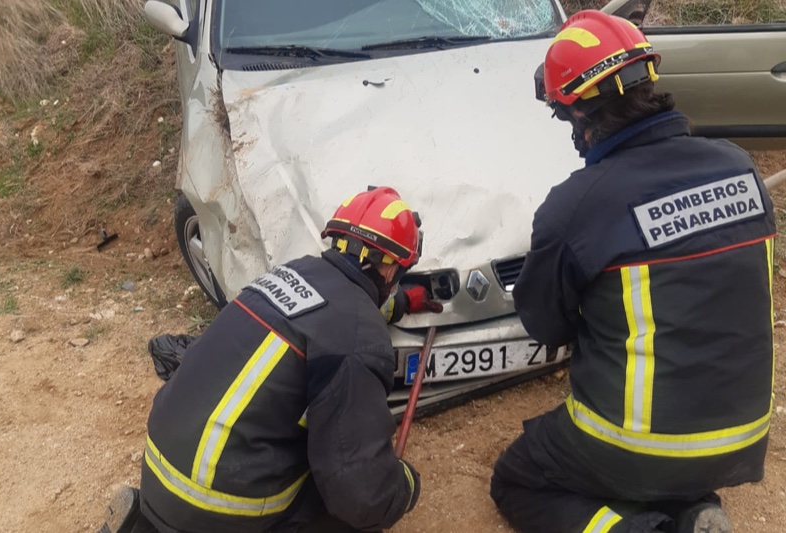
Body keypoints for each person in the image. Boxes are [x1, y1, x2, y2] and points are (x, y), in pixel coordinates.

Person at [491, 10, 775, 533]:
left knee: (518, 477)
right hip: (742, 437)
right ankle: (692, 508)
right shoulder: (739, 167)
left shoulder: (577, 204)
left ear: (582, 116)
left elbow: (546, 326)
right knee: (666, 451)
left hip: (638, 444)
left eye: (562, 115)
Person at [99, 186, 442, 533]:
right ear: (390, 271)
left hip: (161, 472)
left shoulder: (295, 272)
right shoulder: (360, 337)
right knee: (350, 505)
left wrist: (397, 305)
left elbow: (328, 316)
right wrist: (404, 486)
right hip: (214, 507)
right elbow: (362, 494)